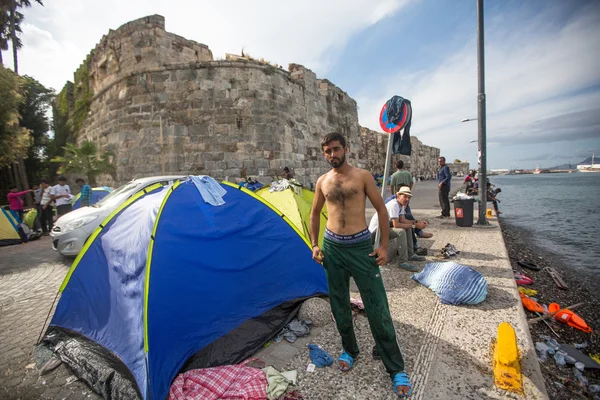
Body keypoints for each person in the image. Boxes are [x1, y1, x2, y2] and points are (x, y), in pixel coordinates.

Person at [309, 132, 413, 397]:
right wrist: (314, 244)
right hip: (332, 248)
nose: (332, 154)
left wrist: (383, 247)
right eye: (327, 151)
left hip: (360, 247)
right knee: (339, 304)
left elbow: (381, 209)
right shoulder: (323, 181)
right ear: (324, 154)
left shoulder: (363, 176)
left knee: (377, 306)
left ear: (346, 148)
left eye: (336, 149)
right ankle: (350, 349)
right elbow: (313, 214)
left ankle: (395, 367)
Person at [372, 187, 427, 271]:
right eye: (405, 196)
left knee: (407, 228)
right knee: (401, 231)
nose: (407, 199)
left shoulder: (400, 205)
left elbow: (403, 220)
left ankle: (410, 254)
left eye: (408, 197)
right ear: (398, 195)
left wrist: (417, 222)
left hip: (385, 228)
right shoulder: (394, 204)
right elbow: (396, 225)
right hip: (376, 232)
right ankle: (402, 262)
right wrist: (415, 226)